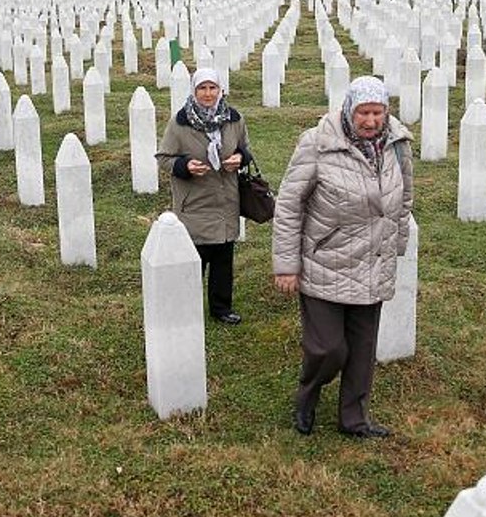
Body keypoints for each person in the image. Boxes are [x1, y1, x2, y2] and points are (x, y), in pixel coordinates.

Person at [272, 76, 413, 438]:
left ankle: (354, 419)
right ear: (349, 110)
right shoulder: (317, 144)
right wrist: (287, 265)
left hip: (373, 262)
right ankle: (308, 394)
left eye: (377, 112)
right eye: (364, 112)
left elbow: (404, 198)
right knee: (328, 349)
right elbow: (289, 205)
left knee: (363, 350)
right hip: (326, 262)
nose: (370, 121)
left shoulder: (398, 145)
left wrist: (394, 248)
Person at [157, 68, 251, 325]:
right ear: (194, 91)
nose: (208, 94)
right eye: (202, 88)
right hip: (195, 202)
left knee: (223, 257)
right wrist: (185, 166)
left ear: (220, 90)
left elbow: (245, 149)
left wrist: (240, 158)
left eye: (213, 88)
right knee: (194, 257)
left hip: (226, 200)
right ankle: (185, 308)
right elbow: (164, 159)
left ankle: (221, 308)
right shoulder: (180, 123)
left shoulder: (234, 119)